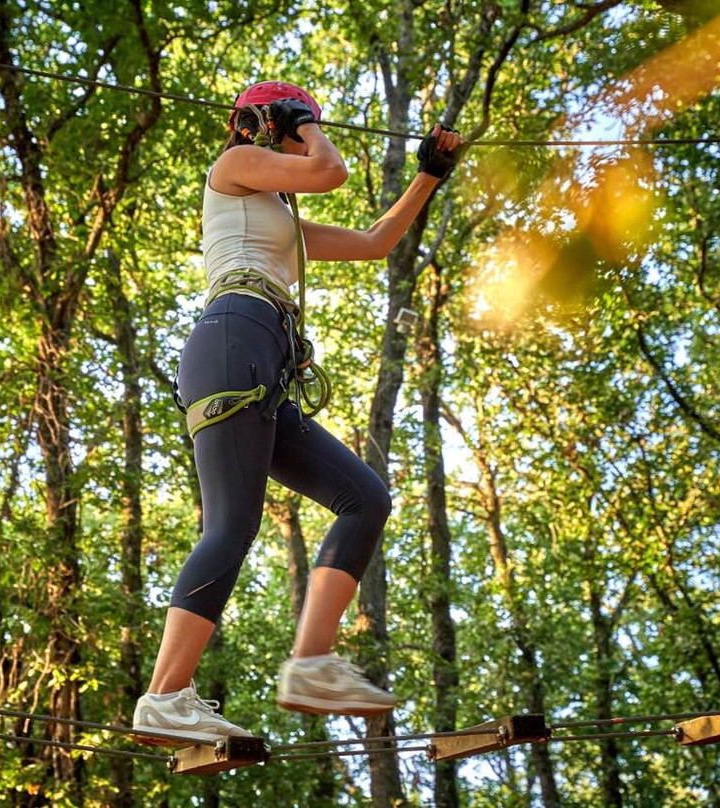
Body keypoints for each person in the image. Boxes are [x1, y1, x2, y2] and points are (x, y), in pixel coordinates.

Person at [132, 80, 464, 744]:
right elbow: (328, 170)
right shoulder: (232, 168)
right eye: (290, 122)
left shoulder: (278, 217)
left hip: (262, 358)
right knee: (232, 525)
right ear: (263, 124)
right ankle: (165, 696)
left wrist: (429, 174)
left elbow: (375, 241)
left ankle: (312, 662)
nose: (299, 132)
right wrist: (304, 125)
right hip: (234, 336)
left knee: (365, 499)